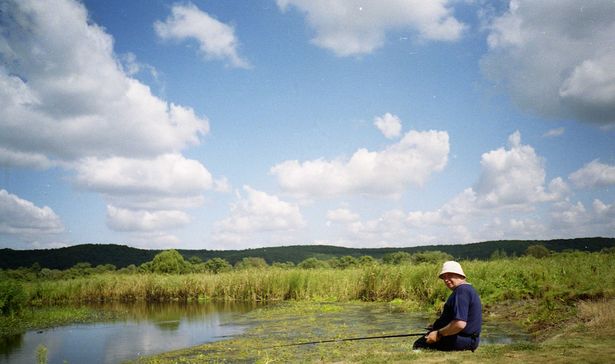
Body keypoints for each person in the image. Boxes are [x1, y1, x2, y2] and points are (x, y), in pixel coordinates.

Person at [413, 261, 482, 352]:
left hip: (463, 340)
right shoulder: (466, 289)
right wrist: (437, 326)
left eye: (450, 275)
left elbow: (459, 324)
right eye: (444, 277)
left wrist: (438, 333)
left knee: (419, 343)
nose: (446, 279)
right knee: (428, 336)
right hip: (468, 340)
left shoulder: (461, 291)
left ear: (461, 276)